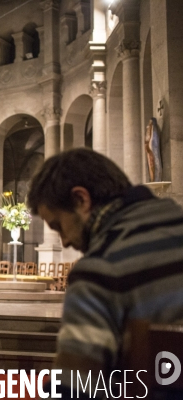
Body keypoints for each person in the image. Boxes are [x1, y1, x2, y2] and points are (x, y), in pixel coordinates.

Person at [27, 148, 183, 398]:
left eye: (58, 226)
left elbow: (76, 389)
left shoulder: (100, 270)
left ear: (81, 200)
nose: (64, 241)